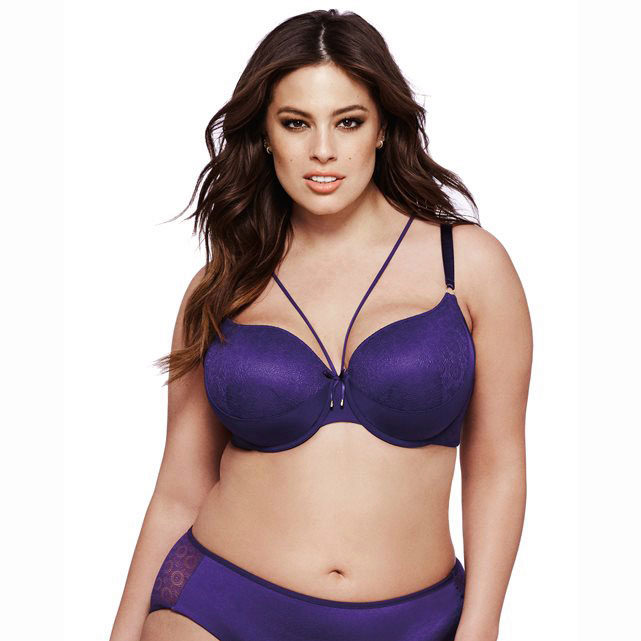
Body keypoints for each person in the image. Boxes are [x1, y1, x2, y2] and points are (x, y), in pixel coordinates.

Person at [109, 9, 532, 641]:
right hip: (220, 607)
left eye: (349, 121)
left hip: (414, 620)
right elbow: (179, 486)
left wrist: (481, 628)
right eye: (296, 122)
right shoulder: (223, 283)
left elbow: (497, 463)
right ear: (265, 133)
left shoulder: (467, 265)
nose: (323, 150)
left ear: (383, 128)